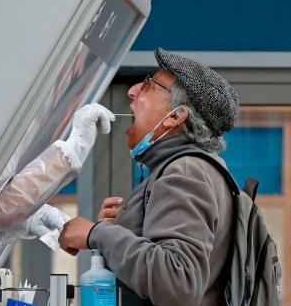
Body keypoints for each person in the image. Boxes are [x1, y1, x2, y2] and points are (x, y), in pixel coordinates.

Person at [60, 48, 240, 306]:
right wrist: (128, 225)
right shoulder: (193, 170)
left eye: (148, 85)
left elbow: (177, 282)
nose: (132, 90)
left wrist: (96, 234)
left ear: (176, 117)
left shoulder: (185, 172)